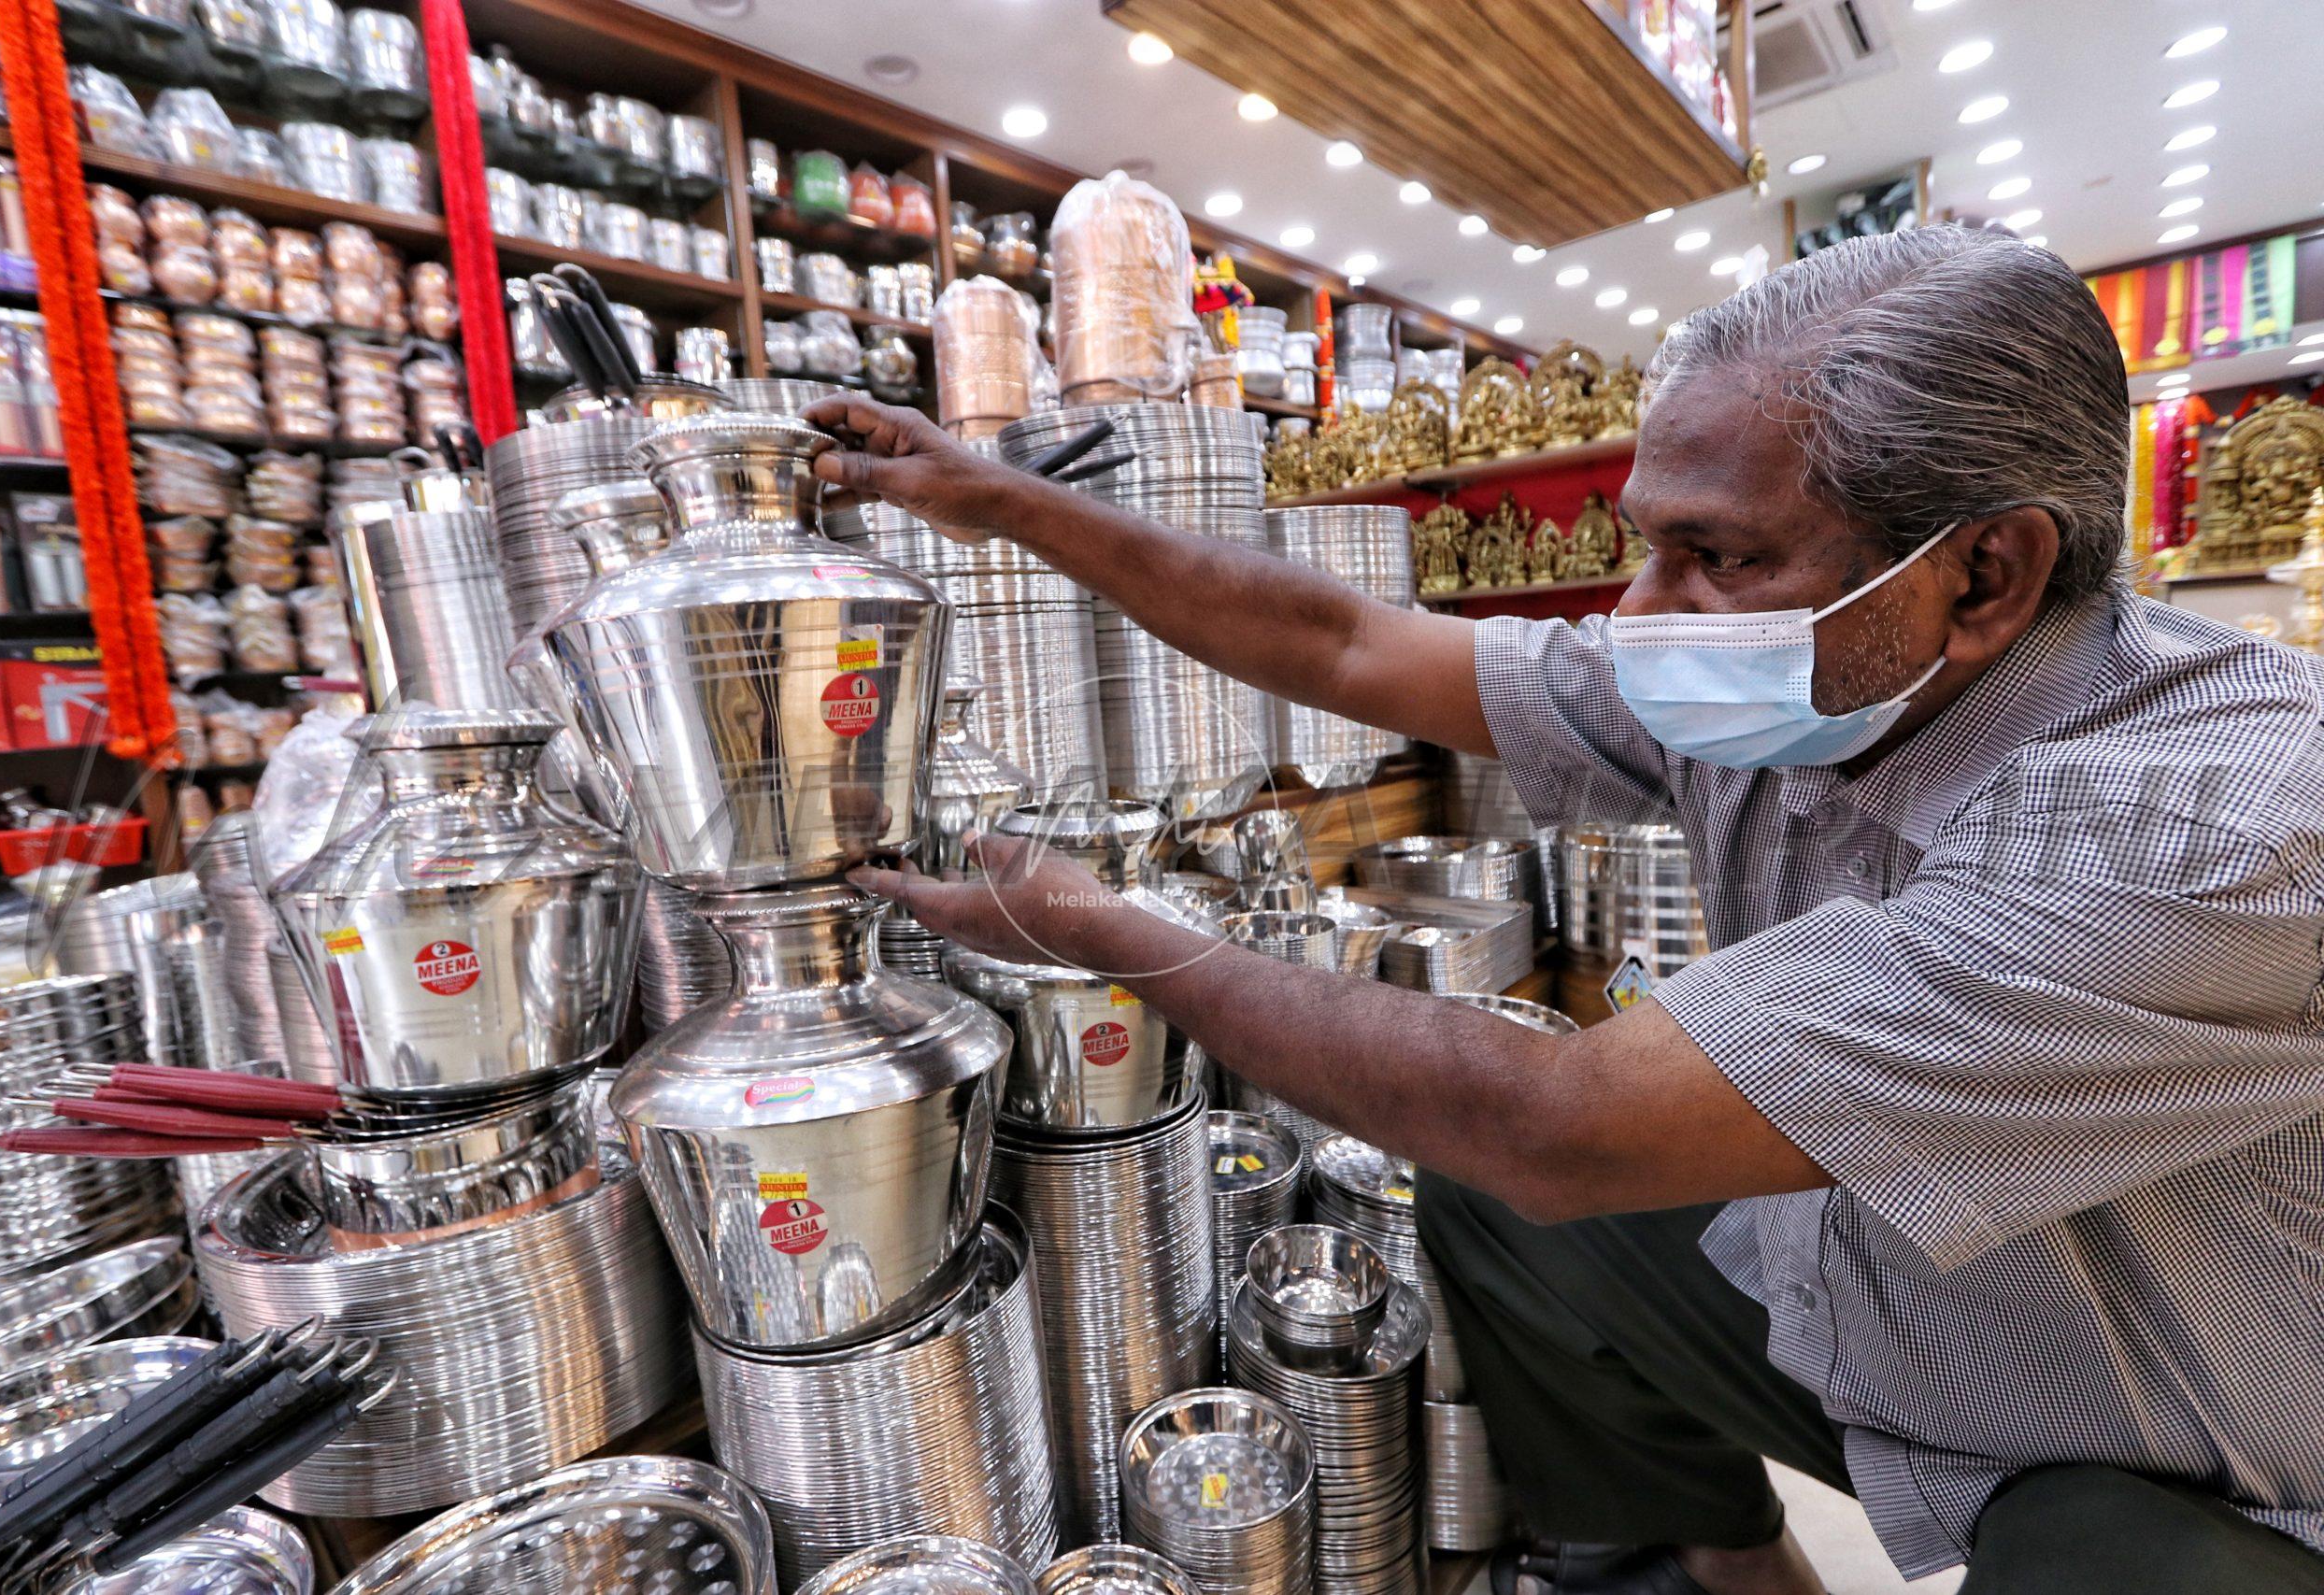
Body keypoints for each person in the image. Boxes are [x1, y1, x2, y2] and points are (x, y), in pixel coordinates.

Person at [806, 225, 2324, 1595]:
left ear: (1986, 572)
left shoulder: (2204, 822)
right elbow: (1343, 644)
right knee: (1499, 1216)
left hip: (2187, 1460)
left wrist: (1107, 929)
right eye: (1641, 541)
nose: (1636, 617)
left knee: (2098, 1560)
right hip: (1898, 1297)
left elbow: (1562, 1119)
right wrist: (1006, 503)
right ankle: (1731, 1572)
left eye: (1714, 556)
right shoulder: (1809, 674)